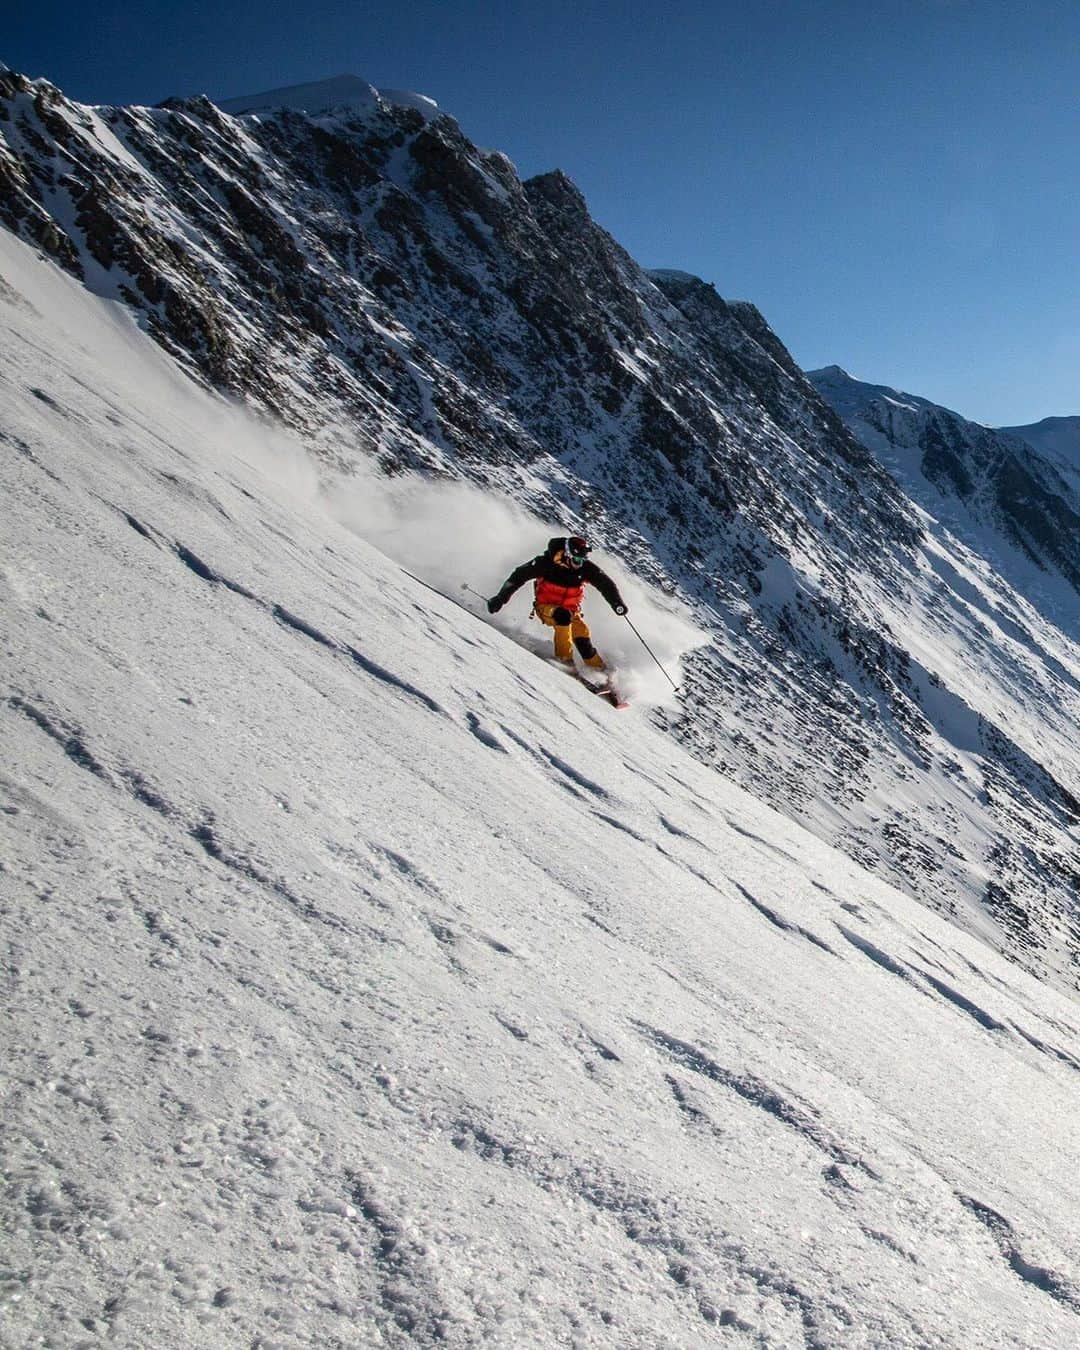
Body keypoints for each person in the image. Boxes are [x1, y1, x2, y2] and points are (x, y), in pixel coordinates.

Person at [487, 535, 628, 673]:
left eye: (582, 560)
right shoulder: (545, 563)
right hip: (546, 608)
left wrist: (617, 603)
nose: (579, 564)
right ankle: (564, 660)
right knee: (562, 616)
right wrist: (500, 598)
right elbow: (518, 576)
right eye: (576, 560)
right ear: (567, 554)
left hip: (572, 611)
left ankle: (600, 671)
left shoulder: (585, 568)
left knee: (583, 639)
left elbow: (606, 584)